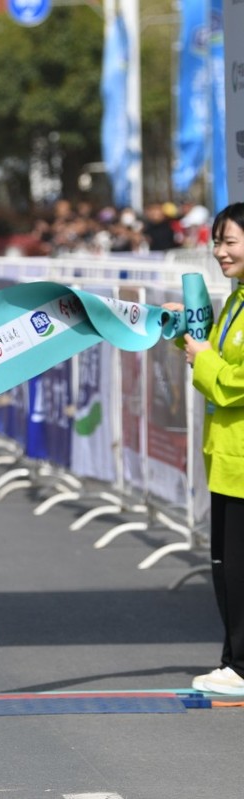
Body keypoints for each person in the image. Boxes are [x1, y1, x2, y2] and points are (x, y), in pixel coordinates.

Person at [174, 203, 244, 695]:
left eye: (230, 242)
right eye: (216, 242)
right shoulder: (236, 299)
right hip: (224, 457)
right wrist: (186, 337)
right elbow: (212, 363)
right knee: (225, 568)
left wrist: (203, 358)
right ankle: (232, 661)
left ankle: (240, 667)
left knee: (239, 570)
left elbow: (232, 380)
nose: (219, 252)